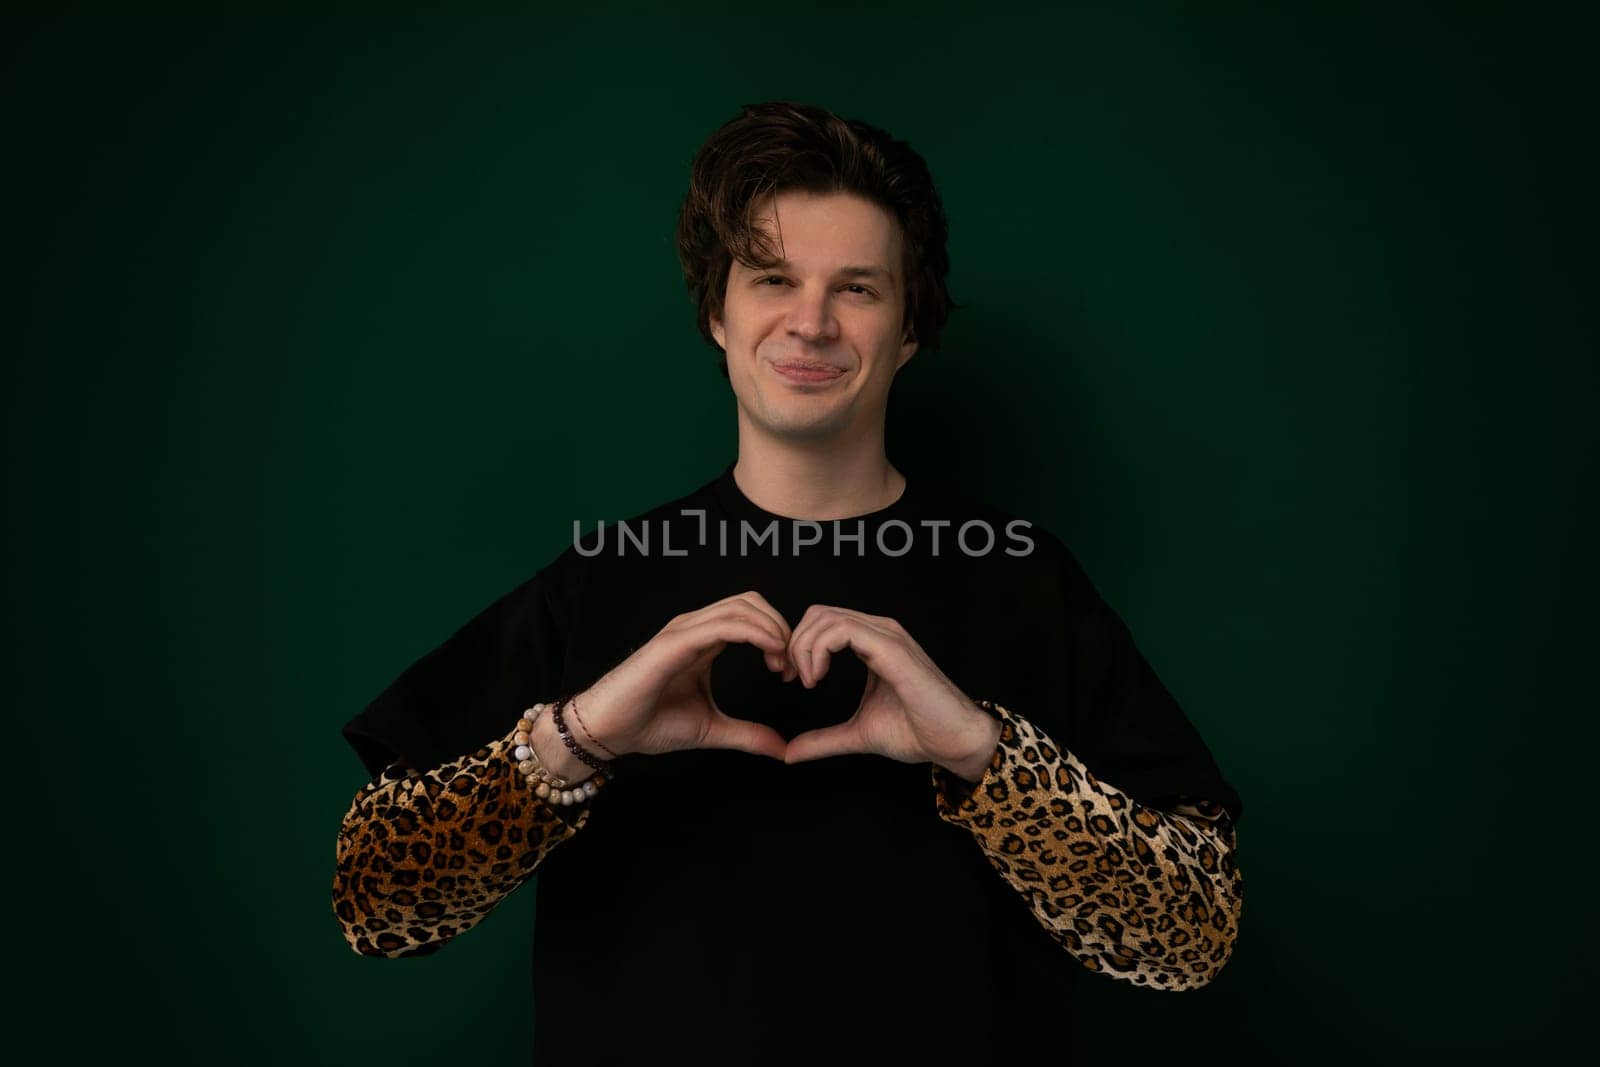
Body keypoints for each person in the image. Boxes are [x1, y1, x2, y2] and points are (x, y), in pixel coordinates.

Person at [331, 100, 1244, 1065]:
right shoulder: (603, 575)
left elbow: (1192, 939)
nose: (810, 322)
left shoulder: (1024, 575)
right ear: (717, 313)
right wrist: (581, 738)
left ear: (909, 332)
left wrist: (986, 757)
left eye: (857, 288)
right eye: (772, 278)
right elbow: (378, 902)